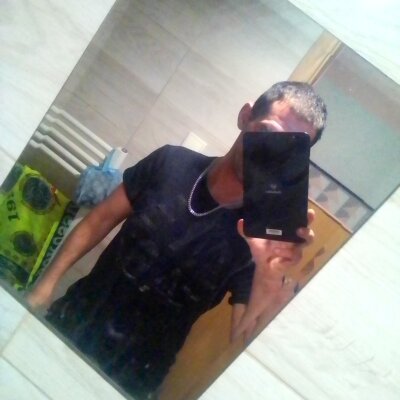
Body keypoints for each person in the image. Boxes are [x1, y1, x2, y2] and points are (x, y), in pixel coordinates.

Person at [27, 81, 327, 399]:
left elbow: (245, 336)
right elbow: (98, 221)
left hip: (132, 379)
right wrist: (45, 286)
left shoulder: (259, 238)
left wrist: (273, 284)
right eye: (267, 132)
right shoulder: (170, 163)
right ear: (245, 116)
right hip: (71, 322)